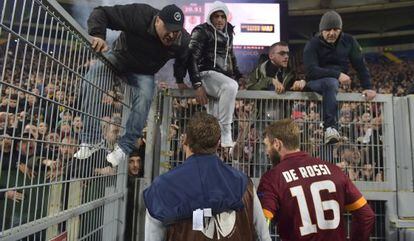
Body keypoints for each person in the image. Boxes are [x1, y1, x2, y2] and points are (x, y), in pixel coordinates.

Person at [75, 4, 196, 167]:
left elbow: (189, 59)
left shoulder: (182, 40)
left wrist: (189, 82)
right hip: (120, 57)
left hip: (143, 72)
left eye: (176, 31)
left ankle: (124, 148)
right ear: (158, 20)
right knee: (93, 77)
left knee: (146, 96)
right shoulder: (139, 14)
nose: (172, 35)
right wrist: (98, 34)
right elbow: (102, 12)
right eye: (168, 29)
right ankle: (91, 140)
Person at [143, 113, 271, 241]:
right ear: (218, 143)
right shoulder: (244, 184)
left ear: (185, 140)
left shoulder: (162, 187)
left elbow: (152, 236)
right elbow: (264, 236)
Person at [257, 119, 375, 241]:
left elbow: (260, 225)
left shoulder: (272, 178)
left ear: (277, 144)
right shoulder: (334, 171)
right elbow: (366, 215)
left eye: (267, 145)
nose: (266, 152)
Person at [303, 10, 377, 144]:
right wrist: (337, 75)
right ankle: (329, 127)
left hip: (335, 85)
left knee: (332, 85)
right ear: (321, 31)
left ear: (341, 29)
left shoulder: (349, 41)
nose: (332, 33)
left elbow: (360, 65)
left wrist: (368, 87)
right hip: (315, 82)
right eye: (327, 30)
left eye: (335, 29)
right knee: (331, 83)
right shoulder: (312, 44)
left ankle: (332, 135)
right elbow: (311, 71)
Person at [188, 1, 242, 147]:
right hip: (204, 74)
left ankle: (213, 141)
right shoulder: (201, 31)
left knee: (213, 119)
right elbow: (191, 58)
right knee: (230, 87)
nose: (219, 20)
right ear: (210, 17)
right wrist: (197, 84)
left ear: (226, 18)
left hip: (220, 77)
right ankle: (225, 131)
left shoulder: (229, 32)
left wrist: (239, 75)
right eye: (216, 16)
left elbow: (231, 56)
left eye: (222, 16)